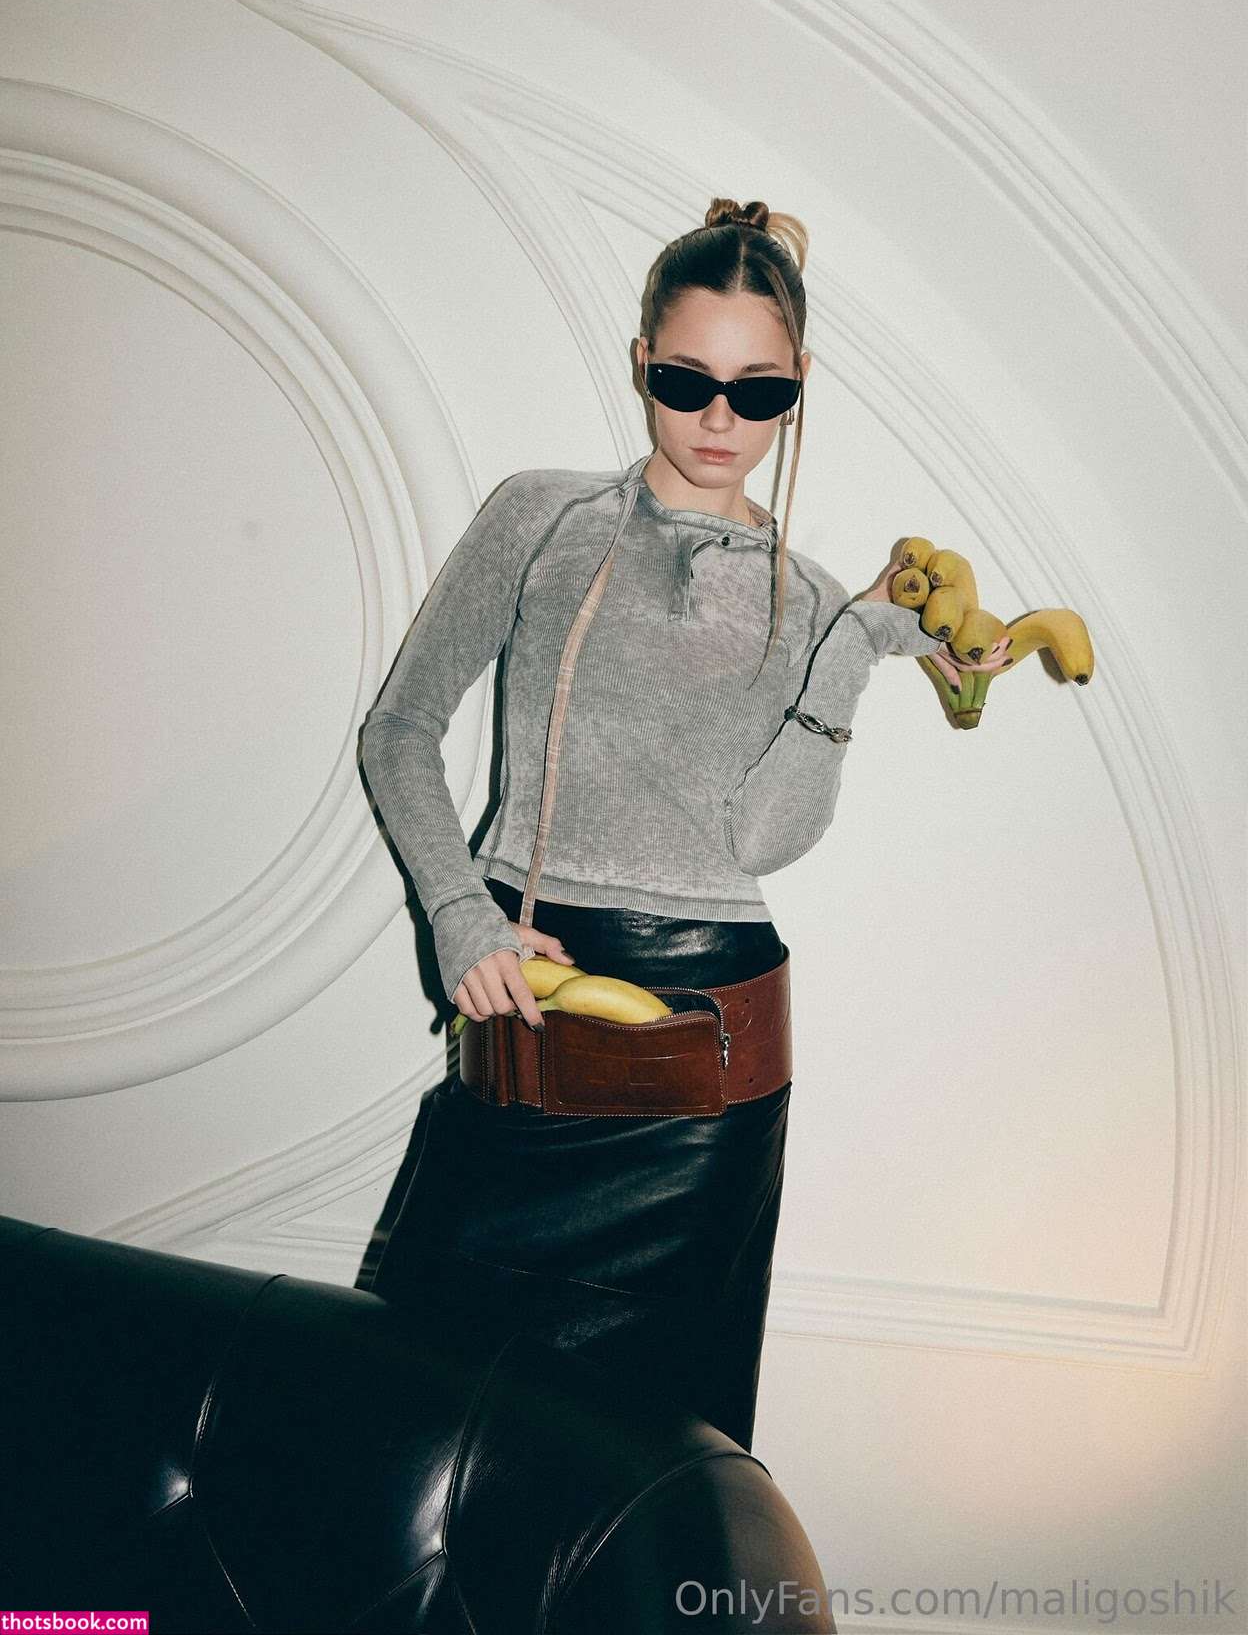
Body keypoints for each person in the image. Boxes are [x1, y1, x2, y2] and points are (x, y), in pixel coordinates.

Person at [359, 196, 1010, 1453]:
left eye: (759, 392)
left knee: (641, 1464)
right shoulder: (542, 515)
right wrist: (457, 914)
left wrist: (855, 645)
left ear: (799, 383)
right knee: (419, 1423)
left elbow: (763, 841)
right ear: (641, 360)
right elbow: (400, 728)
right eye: (686, 380)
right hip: (533, 999)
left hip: (707, 1070)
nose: (720, 420)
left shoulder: (809, 598)